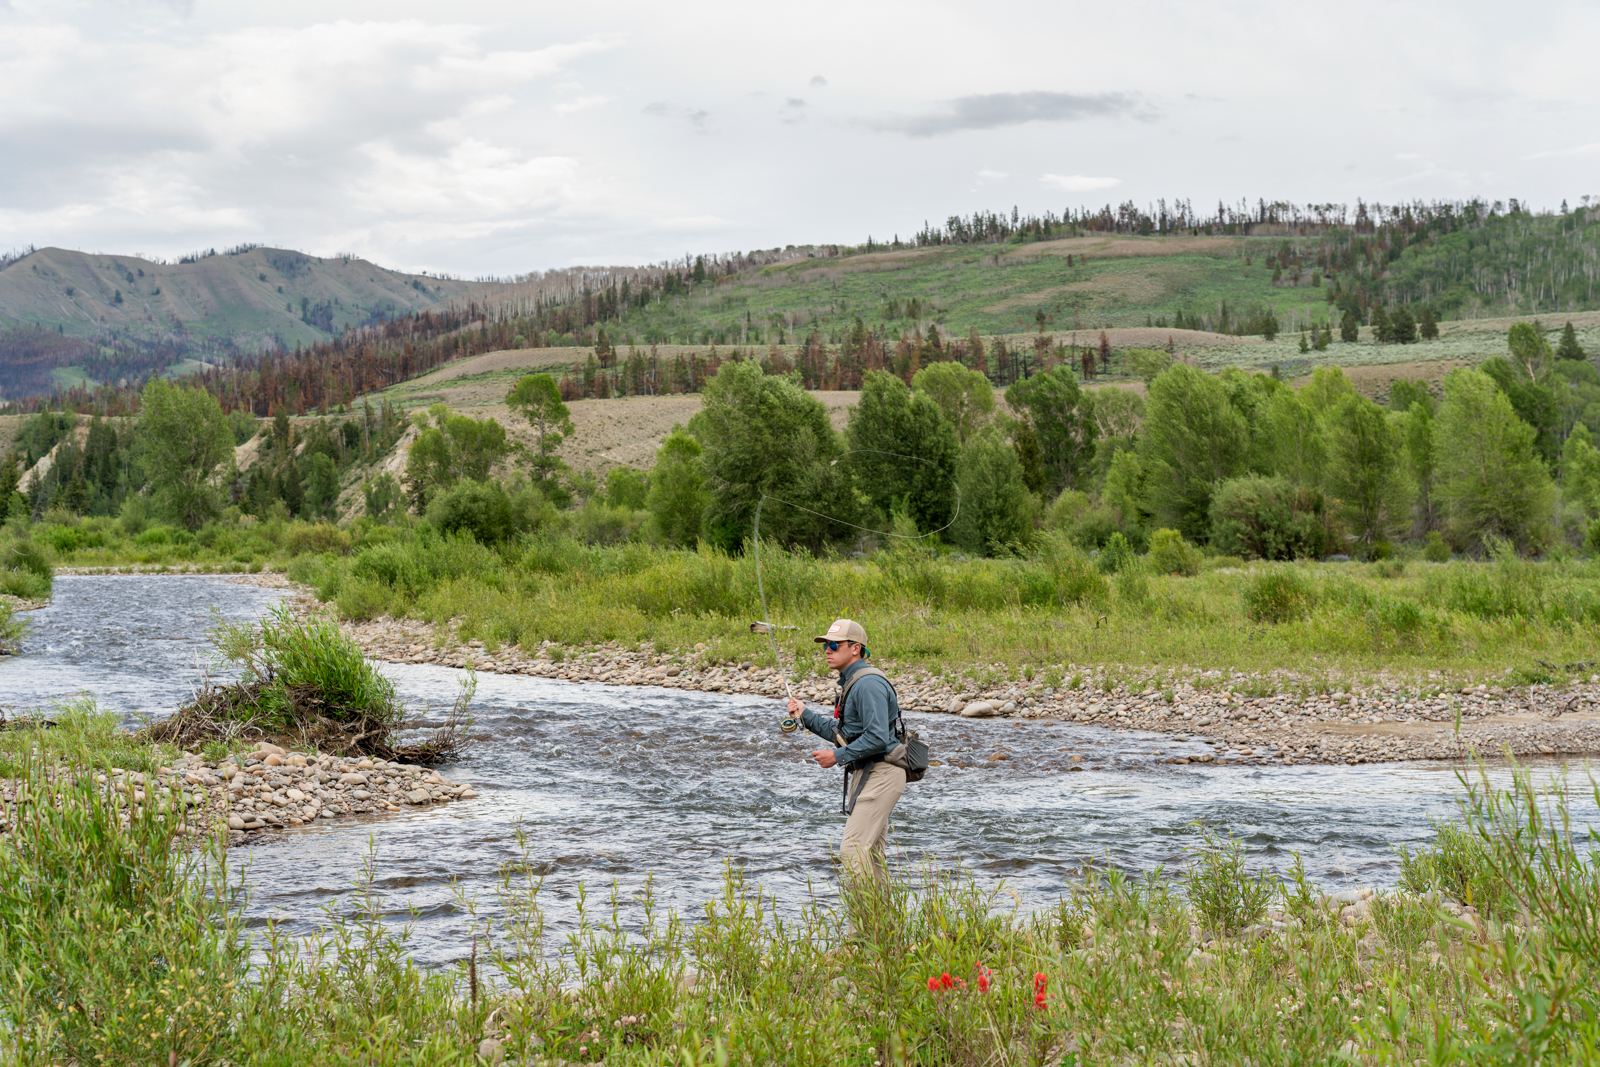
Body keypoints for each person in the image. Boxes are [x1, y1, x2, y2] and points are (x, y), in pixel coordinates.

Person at [786, 618, 906, 875]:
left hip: (882, 772)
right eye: (825, 646)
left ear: (855, 648)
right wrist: (805, 715)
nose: (827, 650)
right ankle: (878, 915)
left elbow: (877, 739)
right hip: (872, 772)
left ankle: (863, 914)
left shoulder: (867, 684)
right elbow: (847, 734)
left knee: (852, 850)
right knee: (871, 853)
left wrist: (836, 756)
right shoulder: (856, 681)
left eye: (833, 645)